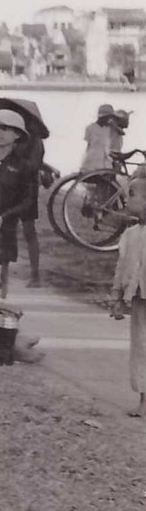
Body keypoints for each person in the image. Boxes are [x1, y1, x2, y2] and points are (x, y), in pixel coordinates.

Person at [0, 97, 56, 288]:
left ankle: (35, 275)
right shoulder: (14, 138)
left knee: (29, 231)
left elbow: (32, 166)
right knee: (2, 229)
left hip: (26, 189)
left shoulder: (34, 142)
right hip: (8, 187)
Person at [0, 109, 32, 299]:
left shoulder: (22, 166)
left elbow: (27, 201)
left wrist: (4, 218)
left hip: (5, 225)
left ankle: (0, 308)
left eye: (6, 129)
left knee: (0, 275)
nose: (0, 133)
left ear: (17, 134)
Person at [110, 178, 146, 417]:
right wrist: (117, 296)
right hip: (140, 297)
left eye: (132, 194)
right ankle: (144, 399)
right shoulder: (131, 234)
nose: (127, 199)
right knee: (141, 345)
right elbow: (122, 267)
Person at [81, 104, 118, 172]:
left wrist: (113, 125)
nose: (109, 119)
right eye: (108, 117)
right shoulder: (90, 128)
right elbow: (88, 146)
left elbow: (121, 132)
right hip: (93, 159)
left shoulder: (108, 128)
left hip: (105, 160)